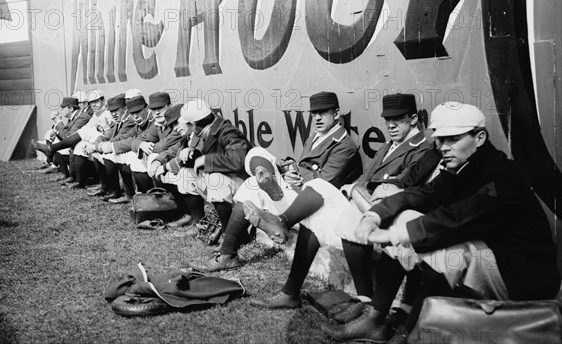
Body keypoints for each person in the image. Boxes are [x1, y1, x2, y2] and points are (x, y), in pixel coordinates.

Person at [321, 103, 561, 343]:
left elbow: (459, 217)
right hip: (484, 263)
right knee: (410, 221)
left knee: (444, 248)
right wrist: (375, 215)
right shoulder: (463, 167)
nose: (443, 148)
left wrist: (395, 235)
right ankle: (377, 319)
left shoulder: (503, 174)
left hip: (521, 279)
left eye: (453, 140)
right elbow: (419, 195)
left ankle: (411, 332)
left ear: (479, 138)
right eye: (440, 140)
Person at [191, 91, 363, 275]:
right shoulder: (315, 136)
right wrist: (287, 168)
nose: (317, 118)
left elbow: (324, 184)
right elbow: (303, 167)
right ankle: (229, 253)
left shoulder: (344, 145)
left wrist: (295, 173)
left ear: (336, 114)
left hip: (313, 204)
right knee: (255, 163)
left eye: (323, 113)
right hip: (297, 190)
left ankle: (232, 250)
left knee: (255, 185)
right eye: (314, 113)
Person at [328, 93, 432, 323]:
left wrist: (360, 190)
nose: (391, 125)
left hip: (399, 211)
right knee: (349, 217)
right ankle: (365, 299)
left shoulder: (422, 148)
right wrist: (355, 188)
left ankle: (374, 305)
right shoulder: (388, 145)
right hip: (376, 206)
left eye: (399, 119)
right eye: (387, 120)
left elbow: (404, 184)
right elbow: (367, 175)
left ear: (413, 119)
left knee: (353, 216)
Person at [167, 99, 252, 242]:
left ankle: (229, 236)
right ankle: (201, 225)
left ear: (195, 123)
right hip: (230, 180)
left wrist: (205, 161)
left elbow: (237, 160)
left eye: (189, 125)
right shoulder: (209, 131)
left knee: (215, 180)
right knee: (185, 174)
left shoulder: (228, 131)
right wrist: (193, 153)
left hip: (247, 185)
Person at [87, 94, 136, 198]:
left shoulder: (130, 120)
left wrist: (99, 146)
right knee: (98, 154)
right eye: (111, 111)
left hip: (129, 150)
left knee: (109, 155)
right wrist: (95, 145)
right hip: (121, 148)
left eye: (116, 110)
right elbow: (109, 136)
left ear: (125, 109)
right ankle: (106, 187)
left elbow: (120, 137)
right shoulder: (119, 120)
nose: (113, 114)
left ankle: (121, 191)